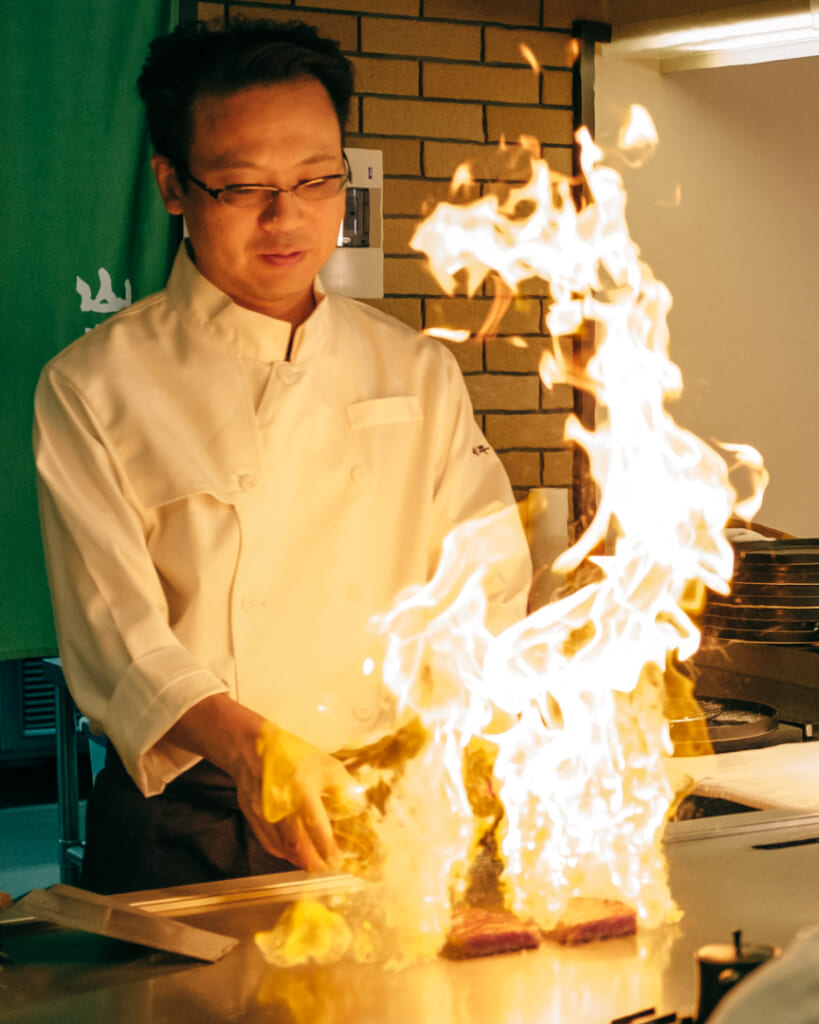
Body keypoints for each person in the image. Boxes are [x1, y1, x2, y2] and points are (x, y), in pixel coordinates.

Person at [33, 18, 531, 894]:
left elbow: (485, 575)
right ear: (173, 186)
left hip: (387, 806)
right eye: (242, 186)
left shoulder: (413, 367)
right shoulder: (95, 385)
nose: (287, 216)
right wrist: (256, 747)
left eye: (316, 179)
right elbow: (118, 639)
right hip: (190, 827)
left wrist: (468, 733)